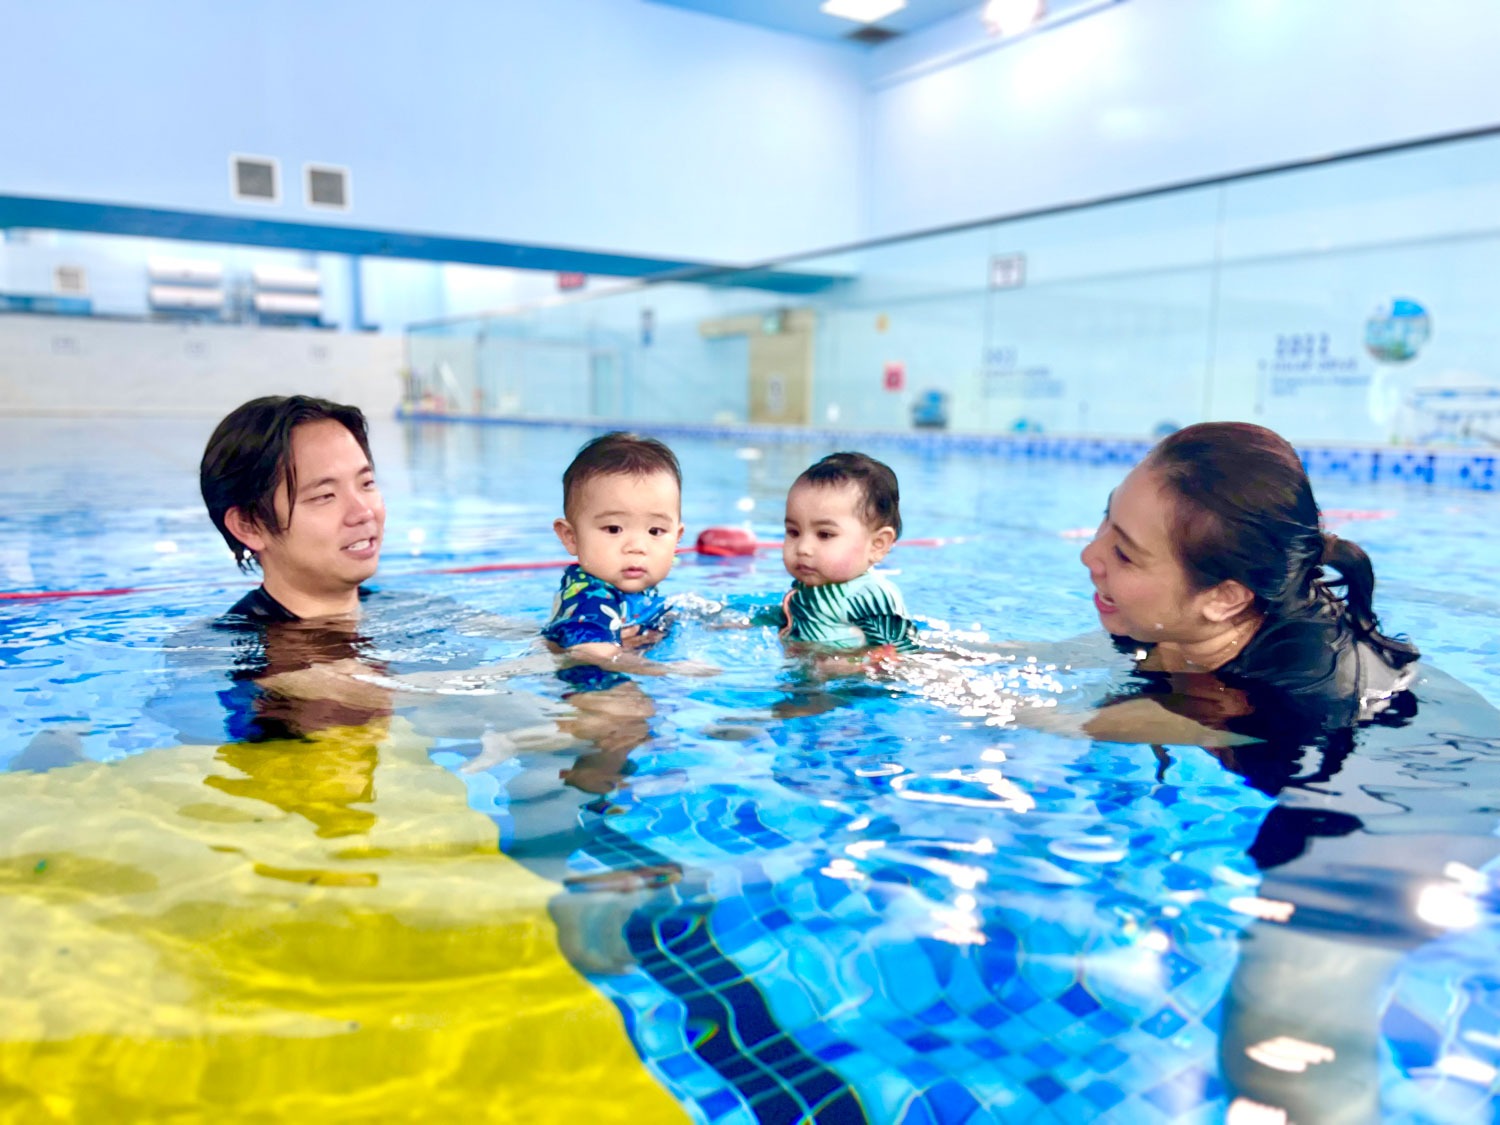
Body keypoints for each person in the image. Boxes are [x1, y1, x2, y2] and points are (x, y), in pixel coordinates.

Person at [542, 431, 716, 686]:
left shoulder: (626, 584)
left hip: (623, 670)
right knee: (629, 713)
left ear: (677, 538)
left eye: (655, 531)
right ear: (571, 536)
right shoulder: (589, 599)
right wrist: (668, 670)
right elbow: (591, 653)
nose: (637, 547)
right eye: (613, 529)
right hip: (593, 685)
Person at [775, 451, 917, 655]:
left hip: (856, 686)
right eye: (793, 532)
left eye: (824, 535)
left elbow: (901, 655)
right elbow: (792, 616)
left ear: (877, 545)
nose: (803, 548)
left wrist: (850, 665)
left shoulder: (869, 596)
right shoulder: (806, 589)